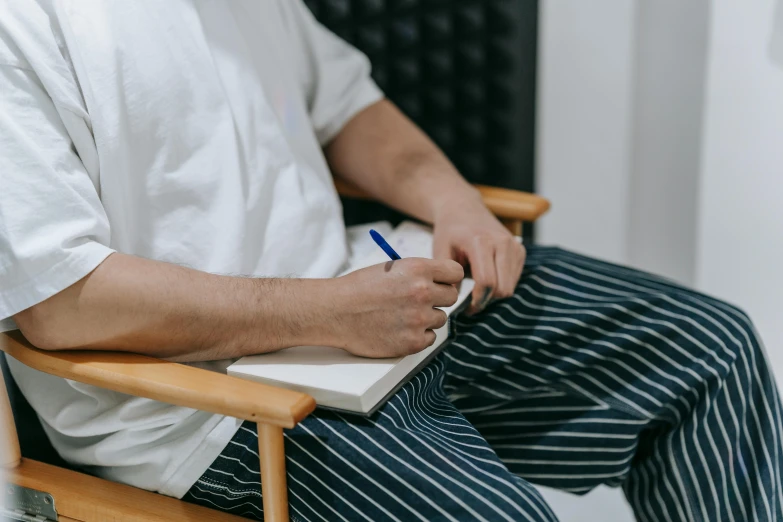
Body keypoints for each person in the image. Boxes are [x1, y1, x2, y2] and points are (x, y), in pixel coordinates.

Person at [0, 1, 780, 521]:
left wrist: (451, 199)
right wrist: (321, 314)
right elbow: (62, 301)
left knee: (708, 349)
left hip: (363, 303)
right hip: (208, 406)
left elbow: (343, 103)